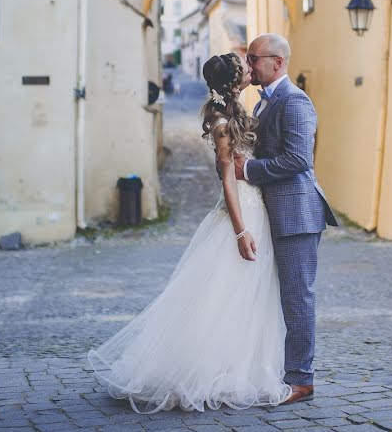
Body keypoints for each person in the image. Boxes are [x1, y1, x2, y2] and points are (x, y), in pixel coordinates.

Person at [88, 52, 292, 414]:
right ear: (234, 81)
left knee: (247, 297)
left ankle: (239, 366)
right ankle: (213, 371)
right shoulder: (220, 120)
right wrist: (241, 230)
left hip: (257, 207)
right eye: (244, 66)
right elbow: (227, 177)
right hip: (242, 213)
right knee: (225, 293)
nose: (250, 66)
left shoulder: (235, 111)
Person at [234, 33, 338, 404]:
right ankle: (280, 368)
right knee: (276, 297)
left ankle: (300, 379)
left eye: (254, 60)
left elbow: (298, 160)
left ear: (277, 62)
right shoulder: (265, 102)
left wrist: (248, 169)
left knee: (297, 298)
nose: (249, 67)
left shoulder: (294, 101)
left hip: (296, 213)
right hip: (273, 212)